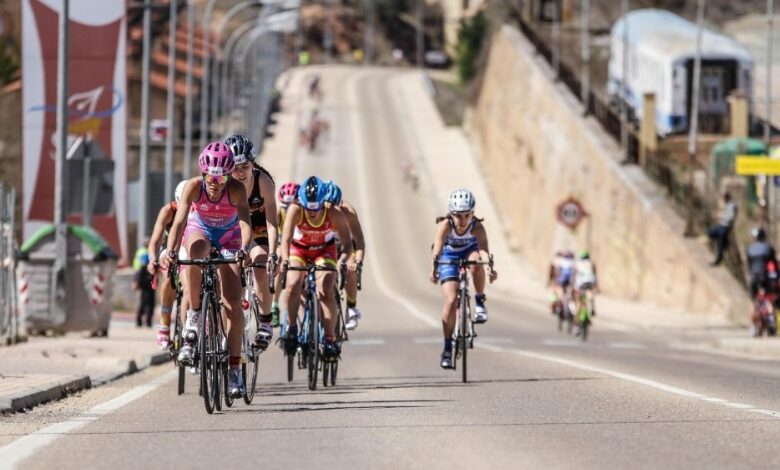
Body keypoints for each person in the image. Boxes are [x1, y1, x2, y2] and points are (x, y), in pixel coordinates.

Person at [161, 141, 252, 398]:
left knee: (233, 304)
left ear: (228, 175)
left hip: (229, 236)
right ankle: (194, 313)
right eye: (211, 176)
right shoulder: (193, 187)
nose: (215, 182)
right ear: (203, 173)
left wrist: (243, 248)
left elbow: (245, 222)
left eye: (221, 176)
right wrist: (170, 251)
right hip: (200, 230)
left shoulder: (235, 189)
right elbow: (179, 223)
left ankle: (235, 368)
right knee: (195, 252)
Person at [279, 176, 355, 361]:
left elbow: (347, 244)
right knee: (293, 284)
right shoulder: (296, 210)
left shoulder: (334, 212)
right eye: (308, 209)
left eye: (316, 209)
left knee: (326, 289)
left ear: (324, 203)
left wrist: (343, 259)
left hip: (324, 251)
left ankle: (329, 339)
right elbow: (286, 240)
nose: (312, 213)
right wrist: (285, 260)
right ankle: (292, 327)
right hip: (300, 250)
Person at [430, 189, 497, 369]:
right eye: (458, 216)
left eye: (467, 215)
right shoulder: (445, 225)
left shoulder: (476, 226)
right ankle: (447, 348)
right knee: (451, 301)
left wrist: (489, 266)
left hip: (470, 253)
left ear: (473, 213)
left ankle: (480, 301)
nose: (463, 220)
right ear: (451, 214)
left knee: (476, 262)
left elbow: (483, 248)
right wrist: (434, 267)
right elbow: (437, 245)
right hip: (449, 258)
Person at [226, 134, 278, 350]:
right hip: (232, 228)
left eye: (244, 166)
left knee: (260, 263)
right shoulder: (223, 184)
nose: (240, 172)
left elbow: (272, 223)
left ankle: (265, 320)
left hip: (257, 228)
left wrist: (273, 254)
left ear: (253, 163)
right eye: (235, 167)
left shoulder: (263, 182)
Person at [147, 180, 188, 349]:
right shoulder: (168, 211)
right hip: (170, 249)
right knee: (169, 274)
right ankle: (164, 325)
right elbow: (155, 240)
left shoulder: (200, 209)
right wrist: (152, 259)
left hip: (190, 247)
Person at [323, 181, 366, 330]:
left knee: (351, 268)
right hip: (324, 246)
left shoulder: (348, 211)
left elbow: (359, 240)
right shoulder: (317, 210)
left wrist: (358, 261)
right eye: (328, 206)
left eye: (336, 206)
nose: (333, 211)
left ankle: (351, 307)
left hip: (344, 247)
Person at [270, 182, 300, 327]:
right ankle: (274, 305)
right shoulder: (279, 213)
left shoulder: (301, 212)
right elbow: (273, 231)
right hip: (285, 245)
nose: (289, 210)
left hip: (299, 246)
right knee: (280, 261)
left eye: (292, 205)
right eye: (285, 206)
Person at [746, 227, 777, 300]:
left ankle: (755, 307)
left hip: (753, 277)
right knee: (771, 297)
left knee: (754, 299)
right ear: (764, 237)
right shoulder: (768, 248)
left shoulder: (750, 248)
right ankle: (772, 307)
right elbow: (774, 264)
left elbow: (749, 264)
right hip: (765, 277)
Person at [708, 192, 737, 266]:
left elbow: (730, 218)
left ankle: (718, 260)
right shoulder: (727, 205)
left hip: (725, 227)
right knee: (710, 232)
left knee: (720, 244)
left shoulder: (732, 206)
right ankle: (724, 244)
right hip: (721, 225)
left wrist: (721, 217)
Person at [573, 250, 599, 321]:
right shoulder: (592, 264)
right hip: (590, 283)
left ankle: (576, 318)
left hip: (581, 284)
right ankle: (592, 308)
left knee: (579, 301)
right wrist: (597, 287)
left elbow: (574, 276)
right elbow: (595, 276)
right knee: (590, 296)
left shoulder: (577, 264)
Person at [133, 253, 155, 328]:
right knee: (144, 306)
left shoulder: (145, 269)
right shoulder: (143, 270)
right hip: (145, 290)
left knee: (147, 306)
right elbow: (137, 279)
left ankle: (146, 321)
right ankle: (142, 321)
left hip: (148, 290)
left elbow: (137, 279)